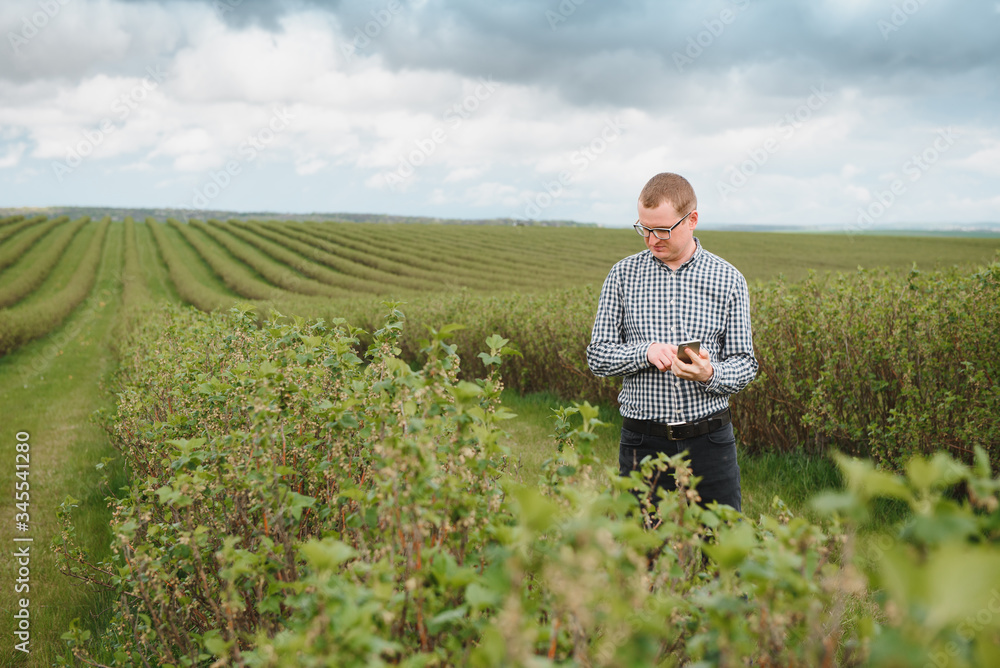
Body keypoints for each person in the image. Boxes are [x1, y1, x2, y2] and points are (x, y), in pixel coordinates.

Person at [586, 172, 757, 513]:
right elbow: (598, 356)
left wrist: (710, 374)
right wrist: (644, 352)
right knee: (644, 551)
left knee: (722, 549)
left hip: (710, 440)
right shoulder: (622, 275)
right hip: (642, 439)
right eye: (644, 228)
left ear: (692, 220)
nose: (651, 239)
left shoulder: (729, 279)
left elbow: (745, 364)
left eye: (662, 230)